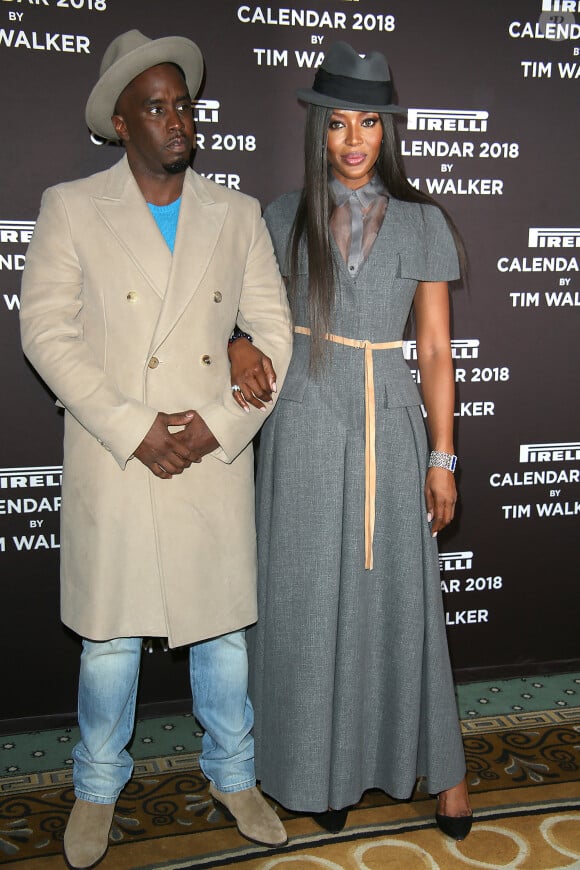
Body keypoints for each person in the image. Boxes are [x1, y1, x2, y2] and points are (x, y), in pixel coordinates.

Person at [19, 29, 292, 869]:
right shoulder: (71, 206)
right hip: (120, 453)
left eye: (183, 105)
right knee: (108, 645)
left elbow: (275, 331)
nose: (178, 120)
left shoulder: (237, 213)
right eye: (157, 108)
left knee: (222, 638)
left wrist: (216, 423)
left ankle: (235, 775)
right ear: (121, 125)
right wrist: (136, 428)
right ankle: (97, 786)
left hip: (209, 452)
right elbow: (44, 332)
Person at [243, 41, 473, 839]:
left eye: (368, 122)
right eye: (338, 122)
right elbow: (251, 322)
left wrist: (443, 456)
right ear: (318, 129)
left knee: (401, 605)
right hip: (304, 421)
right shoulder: (279, 217)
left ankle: (444, 772)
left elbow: (437, 351)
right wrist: (240, 342)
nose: (352, 139)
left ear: (387, 131)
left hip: (389, 423)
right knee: (309, 606)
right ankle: (320, 769)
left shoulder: (422, 221)